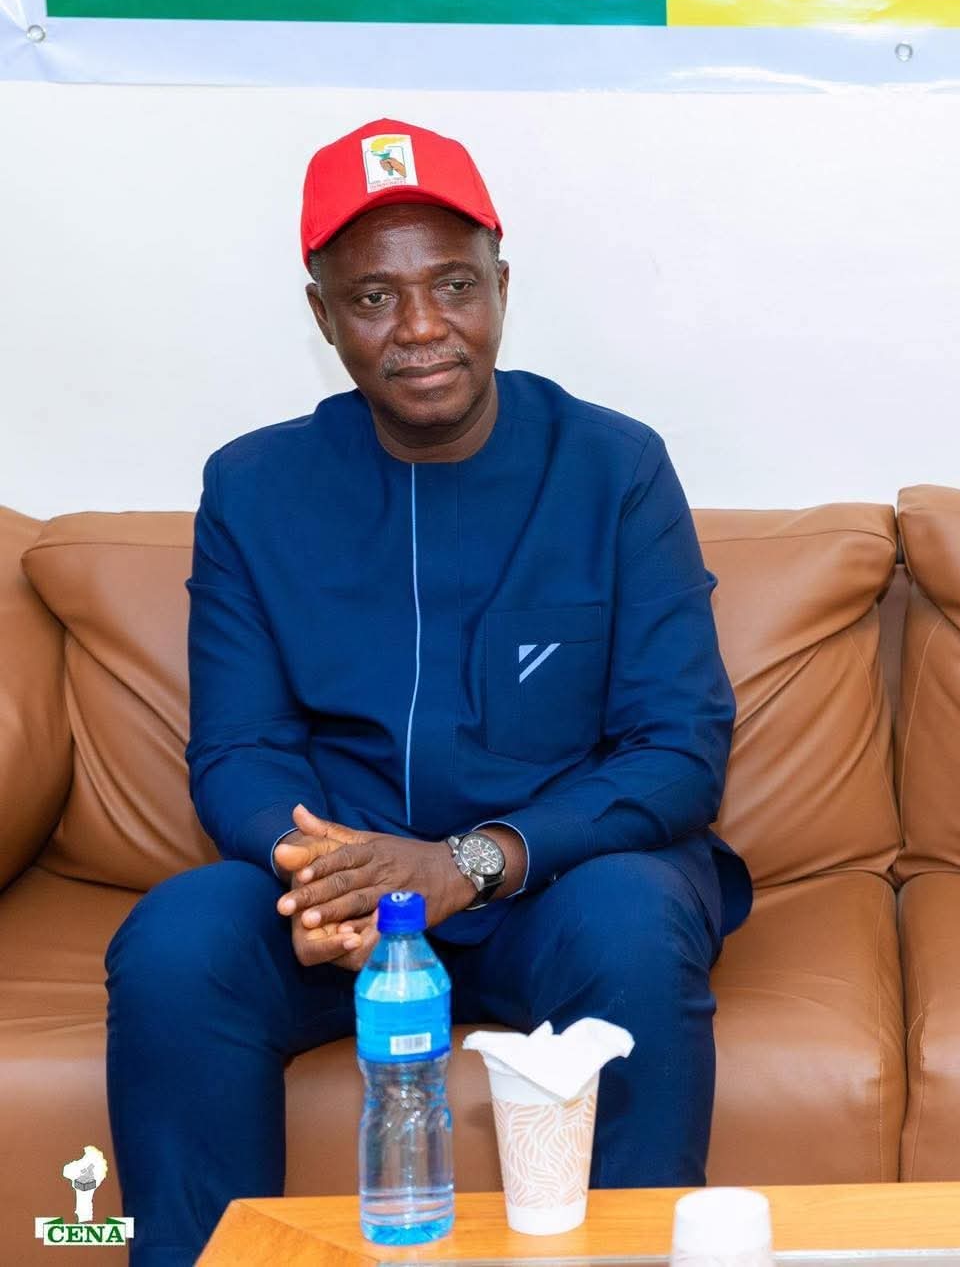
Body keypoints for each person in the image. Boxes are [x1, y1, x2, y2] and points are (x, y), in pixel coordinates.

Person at [103, 119, 750, 1267]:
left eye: (452, 284)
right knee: (178, 938)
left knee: (634, 919)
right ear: (322, 315)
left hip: (556, 885)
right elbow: (239, 749)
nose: (419, 328)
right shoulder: (254, 487)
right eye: (373, 297)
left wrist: (468, 863)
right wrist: (326, 872)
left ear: (500, 286)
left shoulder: (612, 466)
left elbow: (676, 748)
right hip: (351, 904)